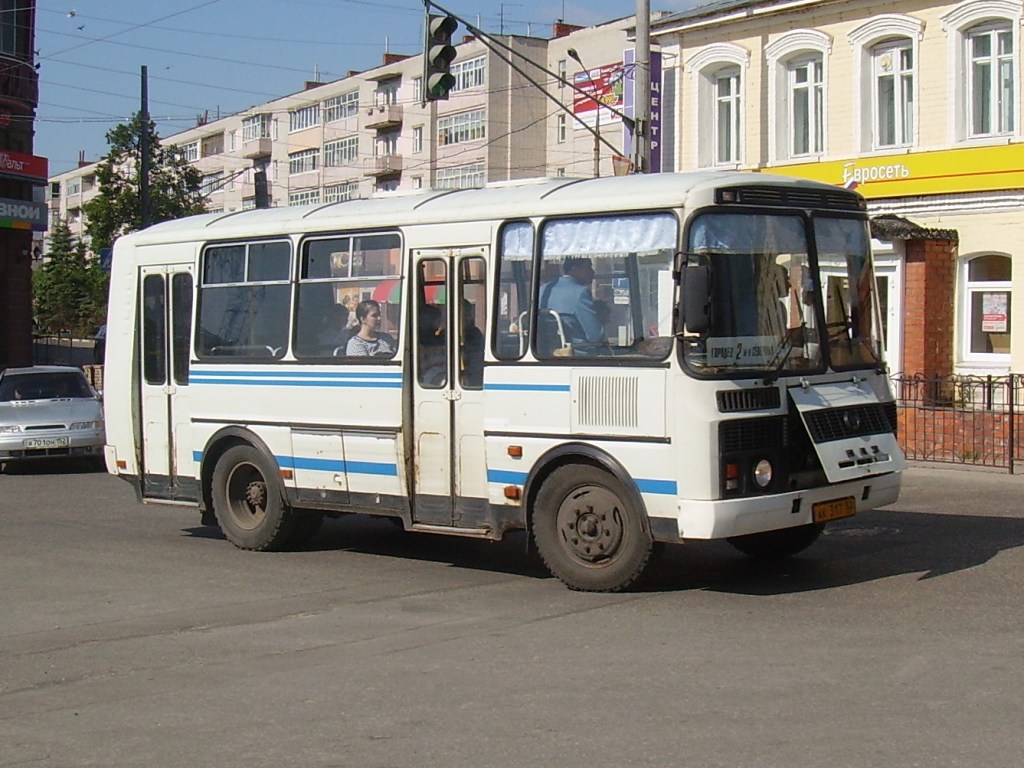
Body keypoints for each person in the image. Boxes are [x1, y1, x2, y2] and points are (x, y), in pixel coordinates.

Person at [539, 257, 605, 346]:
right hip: (577, 353)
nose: (592, 272)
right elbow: (595, 336)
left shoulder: (543, 290)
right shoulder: (581, 293)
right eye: (588, 268)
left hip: (546, 351)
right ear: (575, 269)